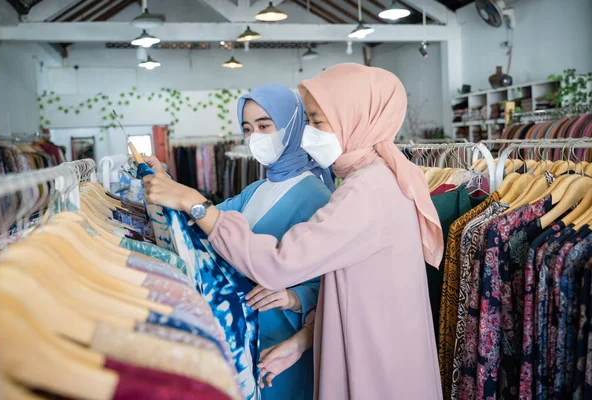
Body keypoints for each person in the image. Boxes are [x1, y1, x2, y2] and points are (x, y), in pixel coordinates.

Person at [143, 64, 444, 399]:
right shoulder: (377, 180)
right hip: (363, 341)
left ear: (354, 117)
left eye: (317, 121)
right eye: (310, 120)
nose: (309, 130)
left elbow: (280, 262)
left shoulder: (364, 190)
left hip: (372, 352)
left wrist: (197, 203)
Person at [146, 83, 332, 400]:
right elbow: (207, 221)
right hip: (246, 334)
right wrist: (167, 185)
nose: (254, 136)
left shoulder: (316, 195)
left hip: (285, 343)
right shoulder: (257, 189)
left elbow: (333, 280)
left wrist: (294, 298)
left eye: (264, 125)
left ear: (291, 125)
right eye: (247, 128)